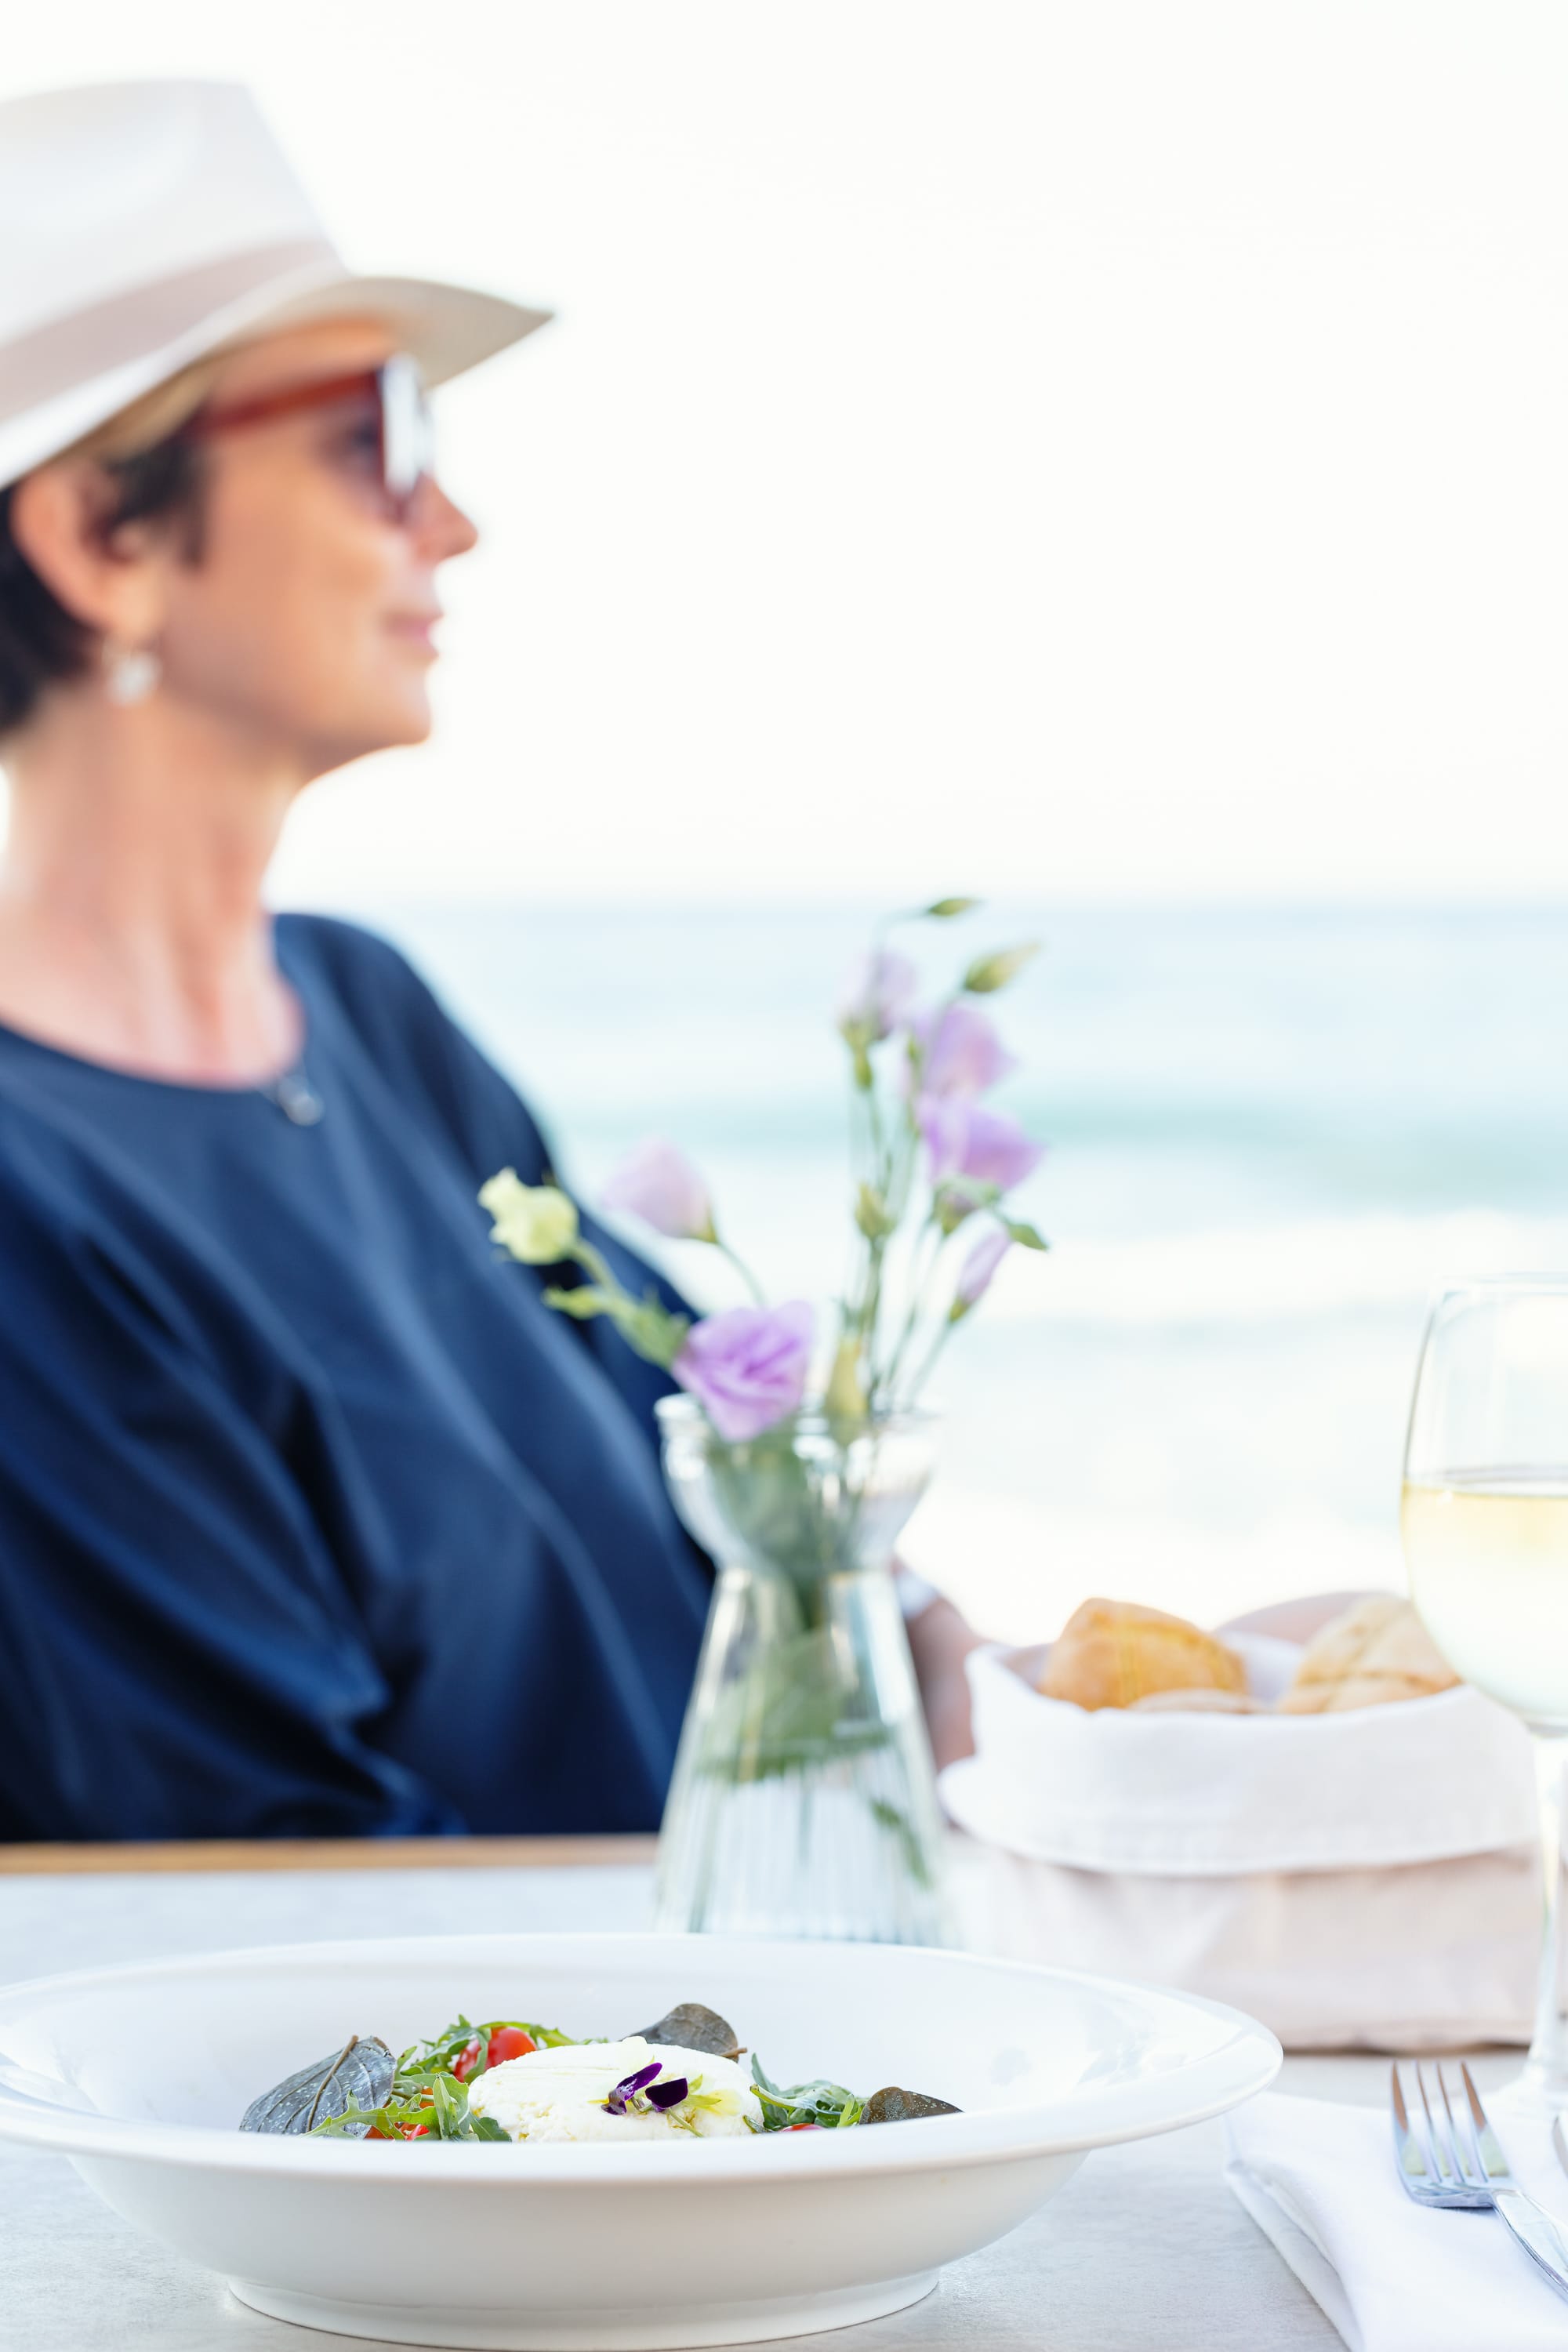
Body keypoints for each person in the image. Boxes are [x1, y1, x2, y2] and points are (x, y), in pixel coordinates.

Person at [0, 80, 978, 1842]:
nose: (451, 523)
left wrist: (1099, 1720)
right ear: (98, 536)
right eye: (374, 438)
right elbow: (272, 1882)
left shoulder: (367, 1017)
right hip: (567, 2022)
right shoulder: (24, 1194)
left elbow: (755, 1519)